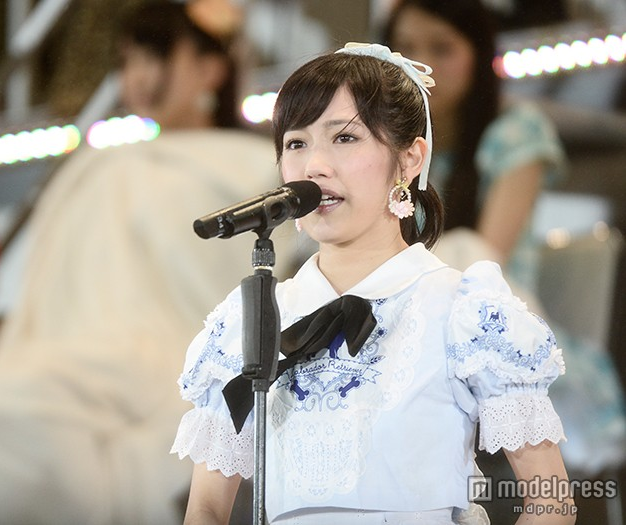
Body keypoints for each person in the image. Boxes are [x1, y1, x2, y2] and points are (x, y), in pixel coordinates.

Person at [0, 2, 303, 524]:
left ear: (211, 69)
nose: (138, 76)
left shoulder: (254, 171)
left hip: (168, 353)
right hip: (74, 353)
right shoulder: (98, 164)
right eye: (128, 60)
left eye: (156, 57)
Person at [171, 42, 576, 525]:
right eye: (296, 143)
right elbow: (206, 508)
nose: (314, 166)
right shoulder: (250, 321)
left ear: (409, 159)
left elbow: (551, 501)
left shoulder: (464, 311)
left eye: (344, 137)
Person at [383, 0, 626, 483]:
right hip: (409, 332)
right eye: (404, 48)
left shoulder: (514, 132)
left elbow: (482, 262)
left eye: (441, 48)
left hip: (497, 329)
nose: (419, 65)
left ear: (478, 55)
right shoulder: (386, 148)